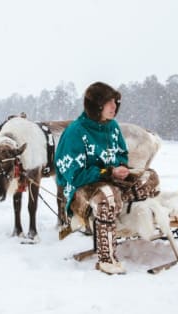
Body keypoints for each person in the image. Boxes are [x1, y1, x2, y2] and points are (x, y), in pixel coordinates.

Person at [55, 81, 130, 274]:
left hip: (111, 182)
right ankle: (107, 259)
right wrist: (107, 172)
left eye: (115, 102)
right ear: (96, 106)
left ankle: (125, 214)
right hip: (81, 188)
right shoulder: (75, 132)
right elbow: (75, 176)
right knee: (107, 196)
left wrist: (121, 167)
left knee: (150, 178)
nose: (114, 106)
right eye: (108, 102)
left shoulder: (112, 127)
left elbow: (122, 154)